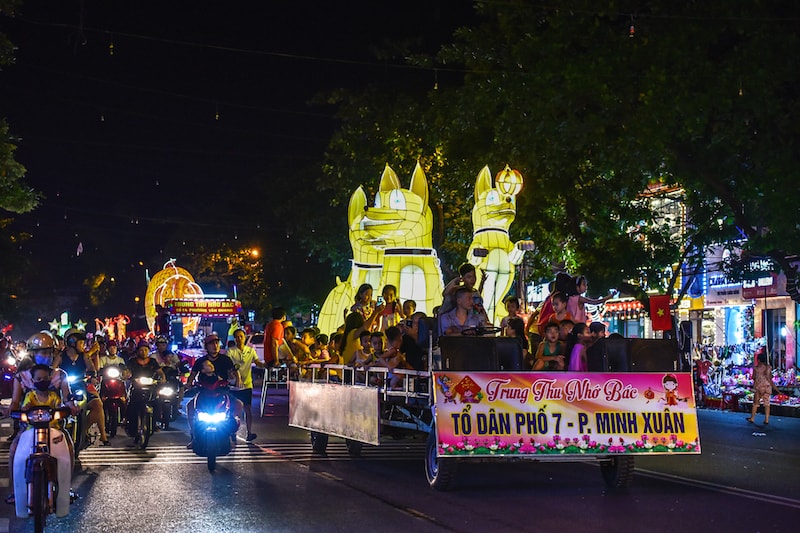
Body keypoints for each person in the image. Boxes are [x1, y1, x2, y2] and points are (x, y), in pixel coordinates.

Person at [5, 332, 79, 505]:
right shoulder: (21, 376)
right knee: (14, 452)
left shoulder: (60, 375)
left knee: (69, 449)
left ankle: (65, 489)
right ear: (32, 354)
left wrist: (72, 406)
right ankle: (16, 492)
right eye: (42, 352)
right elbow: (16, 401)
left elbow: (67, 397)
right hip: (28, 428)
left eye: (49, 352)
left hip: (55, 426)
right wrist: (11, 410)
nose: (46, 356)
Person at [185, 334, 243, 448]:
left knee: (238, 404)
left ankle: (232, 433)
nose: (215, 346)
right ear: (206, 346)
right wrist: (188, 384)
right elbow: (192, 375)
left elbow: (233, 372)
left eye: (216, 343)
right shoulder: (200, 361)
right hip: (204, 393)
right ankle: (194, 435)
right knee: (190, 407)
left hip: (222, 392)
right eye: (212, 343)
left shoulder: (225, 359)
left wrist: (237, 381)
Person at [59, 329, 109, 445]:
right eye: (80, 343)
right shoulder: (61, 356)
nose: (83, 346)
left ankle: (83, 430)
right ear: (71, 342)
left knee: (97, 404)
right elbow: (54, 369)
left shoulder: (84, 356)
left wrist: (92, 376)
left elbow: (92, 369)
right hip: (64, 388)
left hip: (81, 385)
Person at [227, 328, 265, 442]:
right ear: (234, 338)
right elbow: (231, 367)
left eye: (241, 336)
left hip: (247, 384)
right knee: (233, 409)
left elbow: (257, 362)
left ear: (245, 337)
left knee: (247, 409)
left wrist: (266, 365)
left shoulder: (251, 350)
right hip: (233, 385)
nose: (239, 339)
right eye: (237, 337)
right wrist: (236, 376)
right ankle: (232, 431)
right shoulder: (230, 351)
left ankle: (249, 432)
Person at [126, 341, 166, 441]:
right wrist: (126, 374)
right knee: (131, 407)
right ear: (138, 351)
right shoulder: (132, 361)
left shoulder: (152, 361)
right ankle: (131, 426)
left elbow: (160, 372)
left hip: (151, 388)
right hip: (137, 388)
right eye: (141, 350)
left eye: (145, 350)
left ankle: (155, 423)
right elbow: (127, 371)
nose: (143, 352)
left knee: (157, 403)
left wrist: (163, 378)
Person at [339, 304, 385, 369]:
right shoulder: (353, 333)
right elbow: (365, 327)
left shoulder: (347, 335)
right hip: (353, 369)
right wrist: (376, 312)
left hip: (349, 368)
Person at [747, 349, 780, 425]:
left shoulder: (756, 368)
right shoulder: (768, 367)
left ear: (758, 360)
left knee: (755, 403)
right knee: (767, 404)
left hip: (758, 387)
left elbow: (754, 378)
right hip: (767, 387)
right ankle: (767, 419)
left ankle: (752, 418)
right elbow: (770, 377)